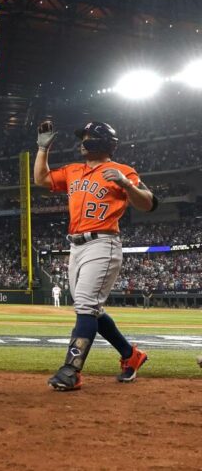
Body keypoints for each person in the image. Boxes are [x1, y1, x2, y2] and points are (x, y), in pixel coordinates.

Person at [34, 121, 158, 391]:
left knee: (86, 306)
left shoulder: (122, 171)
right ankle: (131, 355)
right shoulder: (73, 170)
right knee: (92, 310)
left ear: (101, 142)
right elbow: (41, 179)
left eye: (87, 137)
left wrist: (126, 185)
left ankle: (71, 370)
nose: (82, 142)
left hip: (103, 243)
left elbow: (148, 203)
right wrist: (43, 149)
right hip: (76, 246)